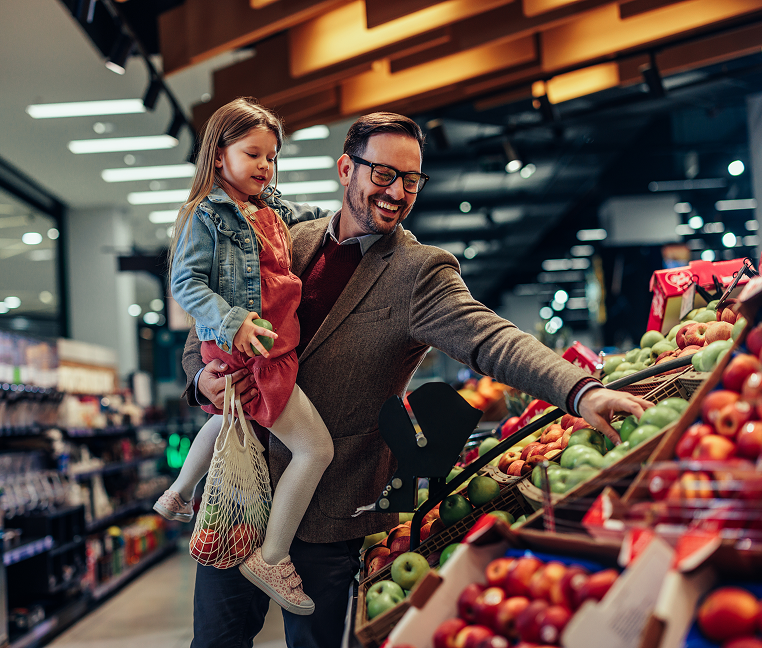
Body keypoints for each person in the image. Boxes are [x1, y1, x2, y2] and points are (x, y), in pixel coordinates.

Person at [181, 112, 652, 648]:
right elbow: (206, 323)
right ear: (345, 169)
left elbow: (491, 338)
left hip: (328, 513)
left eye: (411, 180)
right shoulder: (284, 236)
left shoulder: (418, 273)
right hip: (236, 491)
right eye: (383, 174)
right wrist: (204, 381)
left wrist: (580, 389)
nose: (397, 192)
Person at [154, 97, 336, 616]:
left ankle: (178, 492)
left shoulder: (268, 209)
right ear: (218, 157)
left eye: (272, 156)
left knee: (230, 415)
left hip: (262, 348)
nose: (264, 165)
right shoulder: (206, 214)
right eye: (253, 153)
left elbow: (308, 216)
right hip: (253, 349)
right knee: (315, 450)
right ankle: (272, 557)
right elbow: (184, 282)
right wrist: (234, 322)